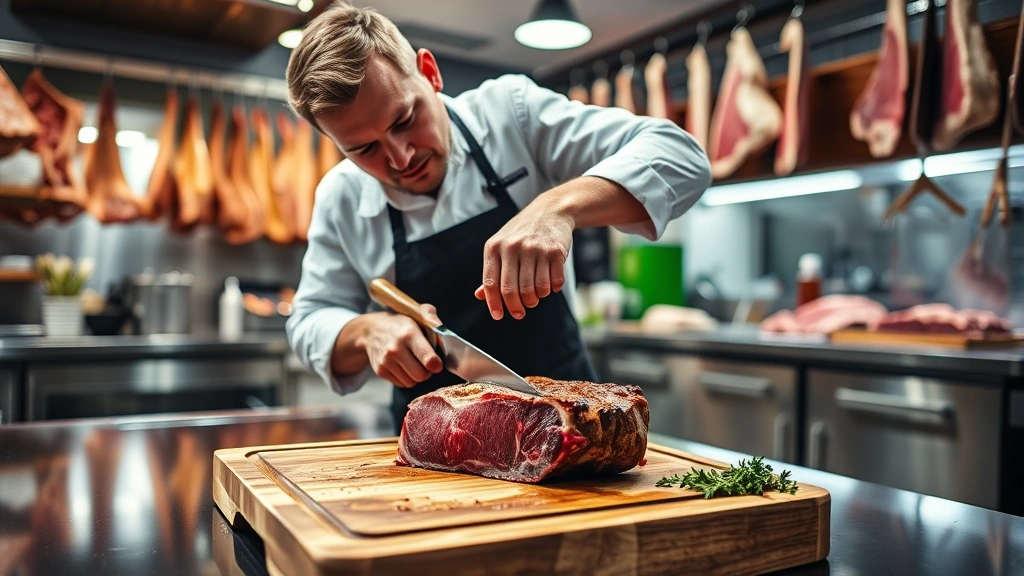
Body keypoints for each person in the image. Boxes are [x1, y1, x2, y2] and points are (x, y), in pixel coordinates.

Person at [285, 2, 712, 432]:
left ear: (429, 73)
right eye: (364, 149)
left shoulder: (511, 112)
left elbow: (681, 157)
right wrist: (366, 332)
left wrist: (556, 207)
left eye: (405, 119)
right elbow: (308, 323)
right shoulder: (341, 197)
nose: (400, 157)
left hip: (563, 425)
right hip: (437, 446)